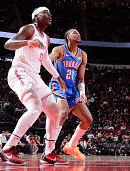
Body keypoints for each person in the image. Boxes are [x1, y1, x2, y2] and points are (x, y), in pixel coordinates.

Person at [0, 7, 68, 165]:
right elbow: (8, 44)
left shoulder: (46, 38)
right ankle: (7, 149)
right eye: (46, 13)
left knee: (55, 112)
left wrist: (58, 77)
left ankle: (49, 152)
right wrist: (28, 42)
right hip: (20, 71)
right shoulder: (29, 29)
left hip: (35, 76)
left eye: (50, 13)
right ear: (36, 16)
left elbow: (45, 60)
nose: (49, 15)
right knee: (35, 108)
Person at [48, 28, 93, 160]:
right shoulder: (60, 50)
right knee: (63, 113)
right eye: (74, 32)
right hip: (58, 85)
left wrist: (83, 93)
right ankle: (50, 150)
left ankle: (71, 146)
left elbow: (80, 78)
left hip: (73, 90)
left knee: (88, 119)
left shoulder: (82, 54)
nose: (78, 33)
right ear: (68, 37)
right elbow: (47, 60)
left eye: (79, 32)